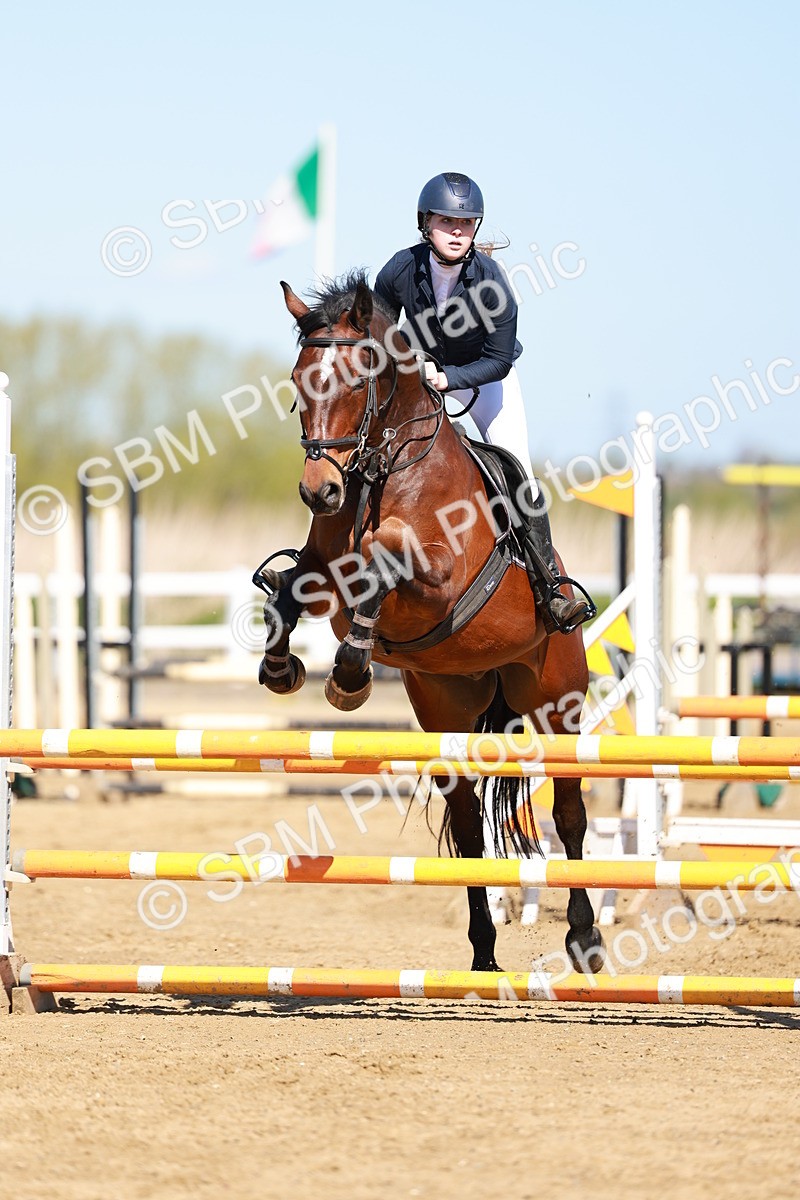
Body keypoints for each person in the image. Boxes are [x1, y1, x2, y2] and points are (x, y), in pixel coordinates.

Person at [374, 171, 594, 634]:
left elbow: (498, 361)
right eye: (446, 221)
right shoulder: (398, 271)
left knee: (519, 472)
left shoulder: (491, 283)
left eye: (467, 223)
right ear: (425, 224)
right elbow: (378, 338)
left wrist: (448, 377)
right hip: (425, 382)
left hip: (485, 382)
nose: (457, 231)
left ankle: (550, 587)